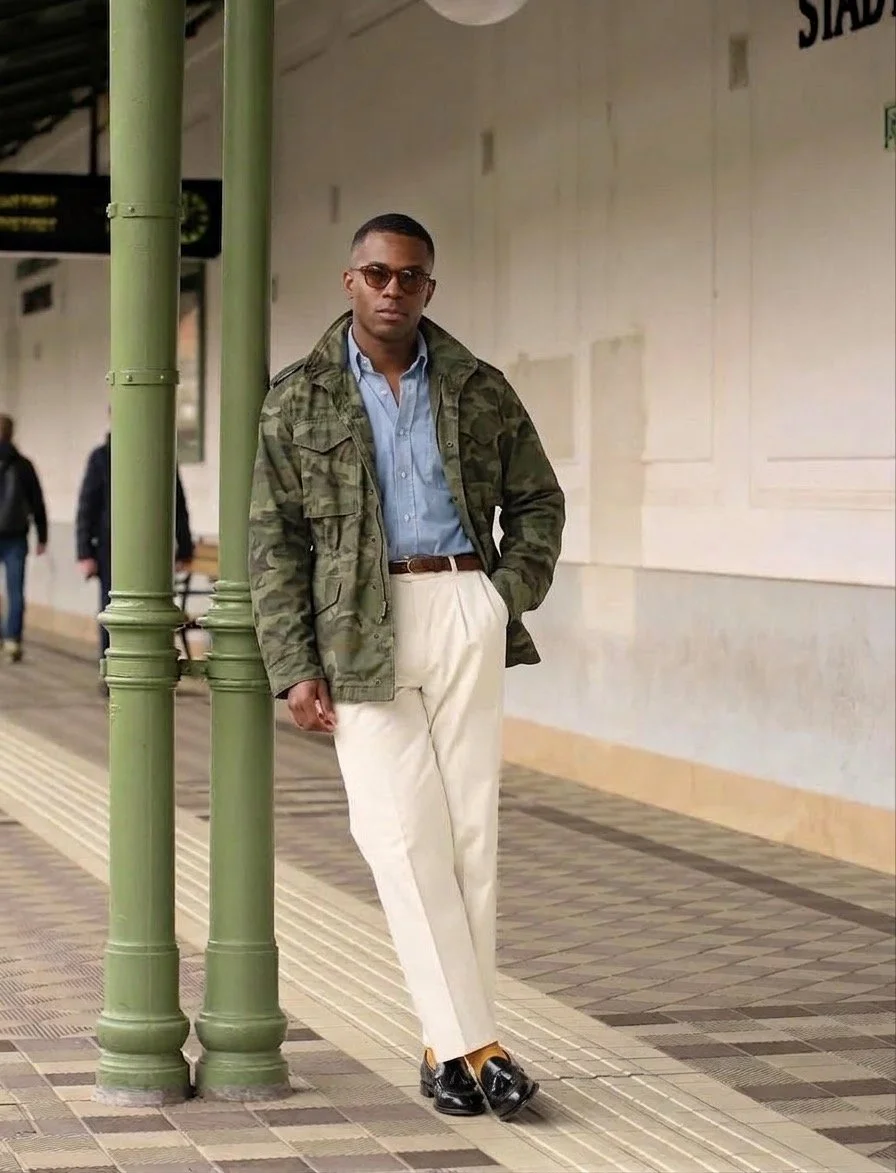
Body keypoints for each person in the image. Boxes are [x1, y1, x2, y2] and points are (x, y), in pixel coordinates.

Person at [249, 213, 565, 1121]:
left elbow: (538, 498)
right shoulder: (296, 398)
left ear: (431, 287)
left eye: (412, 277)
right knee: (397, 833)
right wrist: (291, 662)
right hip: (357, 625)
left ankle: (447, 1050)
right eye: (378, 273)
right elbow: (274, 541)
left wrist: (507, 591)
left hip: (464, 601)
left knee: (469, 839)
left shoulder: (477, 386)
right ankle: (481, 1042)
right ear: (349, 280)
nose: (394, 289)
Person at [75, 421, 195, 664]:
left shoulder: (161, 455)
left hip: (153, 547)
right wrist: (85, 551)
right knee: (113, 608)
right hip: (112, 547)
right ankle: (111, 667)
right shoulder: (102, 457)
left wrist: (185, 547)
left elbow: (177, 504)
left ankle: (150, 662)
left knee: (155, 605)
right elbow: (87, 506)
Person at [0, 414, 48, 664]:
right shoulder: (23, 465)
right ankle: (12, 641)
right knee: (15, 591)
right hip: (16, 536)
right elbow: (37, 502)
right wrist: (43, 535)